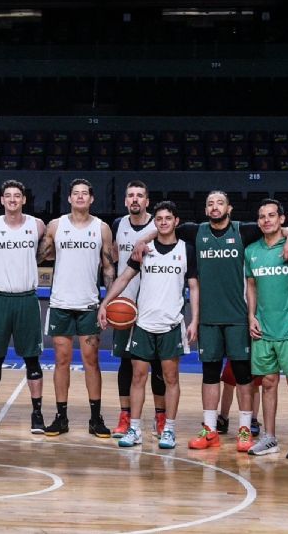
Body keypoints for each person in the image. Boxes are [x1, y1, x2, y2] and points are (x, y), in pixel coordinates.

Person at [134, 190, 288, 451]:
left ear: (229, 208)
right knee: (210, 375)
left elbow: (278, 227)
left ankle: (245, 429)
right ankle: (210, 429)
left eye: (219, 203)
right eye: (210, 203)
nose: (214, 207)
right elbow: (164, 229)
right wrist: (142, 239)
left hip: (237, 318)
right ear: (205, 209)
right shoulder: (195, 231)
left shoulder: (243, 231)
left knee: (243, 377)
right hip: (208, 319)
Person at [99, 201, 198, 449]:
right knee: (138, 378)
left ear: (176, 221)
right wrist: (105, 303)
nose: (163, 222)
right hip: (143, 323)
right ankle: (134, 428)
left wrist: (194, 319)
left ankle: (169, 430)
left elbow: (194, 287)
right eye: (159, 219)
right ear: (155, 223)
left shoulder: (187, 250)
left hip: (172, 323)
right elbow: (124, 278)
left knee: (170, 378)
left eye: (168, 218)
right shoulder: (144, 250)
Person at [39, 178, 114, 438]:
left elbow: (108, 267)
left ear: (92, 199)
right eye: (76, 193)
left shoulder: (102, 228)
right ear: (69, 199)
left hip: (89, 304)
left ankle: (96, 418)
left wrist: (108, 300)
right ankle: (61, 417)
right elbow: (39, 256)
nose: (80, 197)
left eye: (85, 193)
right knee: (61, 360)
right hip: (61, 302)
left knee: (91, 361)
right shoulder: (56, 225)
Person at [0, 180, 48, 434]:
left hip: (27, 298)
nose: (13, 200)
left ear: (24, 200)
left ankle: (37, 414)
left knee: (32, 360)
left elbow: (44, 252)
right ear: (2, 200)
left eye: (17, 196)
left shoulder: (37, 226)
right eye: (8, 196)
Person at [243, 199, 288, 458]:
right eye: (262, 216)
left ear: (282, 219)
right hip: (263, 327)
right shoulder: (252, 251)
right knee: (268, 382)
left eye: (272, 215)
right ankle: (269, 437)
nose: (266, 220)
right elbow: (251, 286)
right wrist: (251, 316)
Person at [110, 181, 168, 439]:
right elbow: (112, 259)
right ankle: (125, 416)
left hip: (152, 304)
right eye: (130, 195)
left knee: (155, 364)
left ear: (147, 201)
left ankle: (160, 416)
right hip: (124, 304)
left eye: (140, 196)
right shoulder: (117, 225)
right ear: (125, 201)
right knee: (125, 362)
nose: (135, 199)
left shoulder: (160, 226)